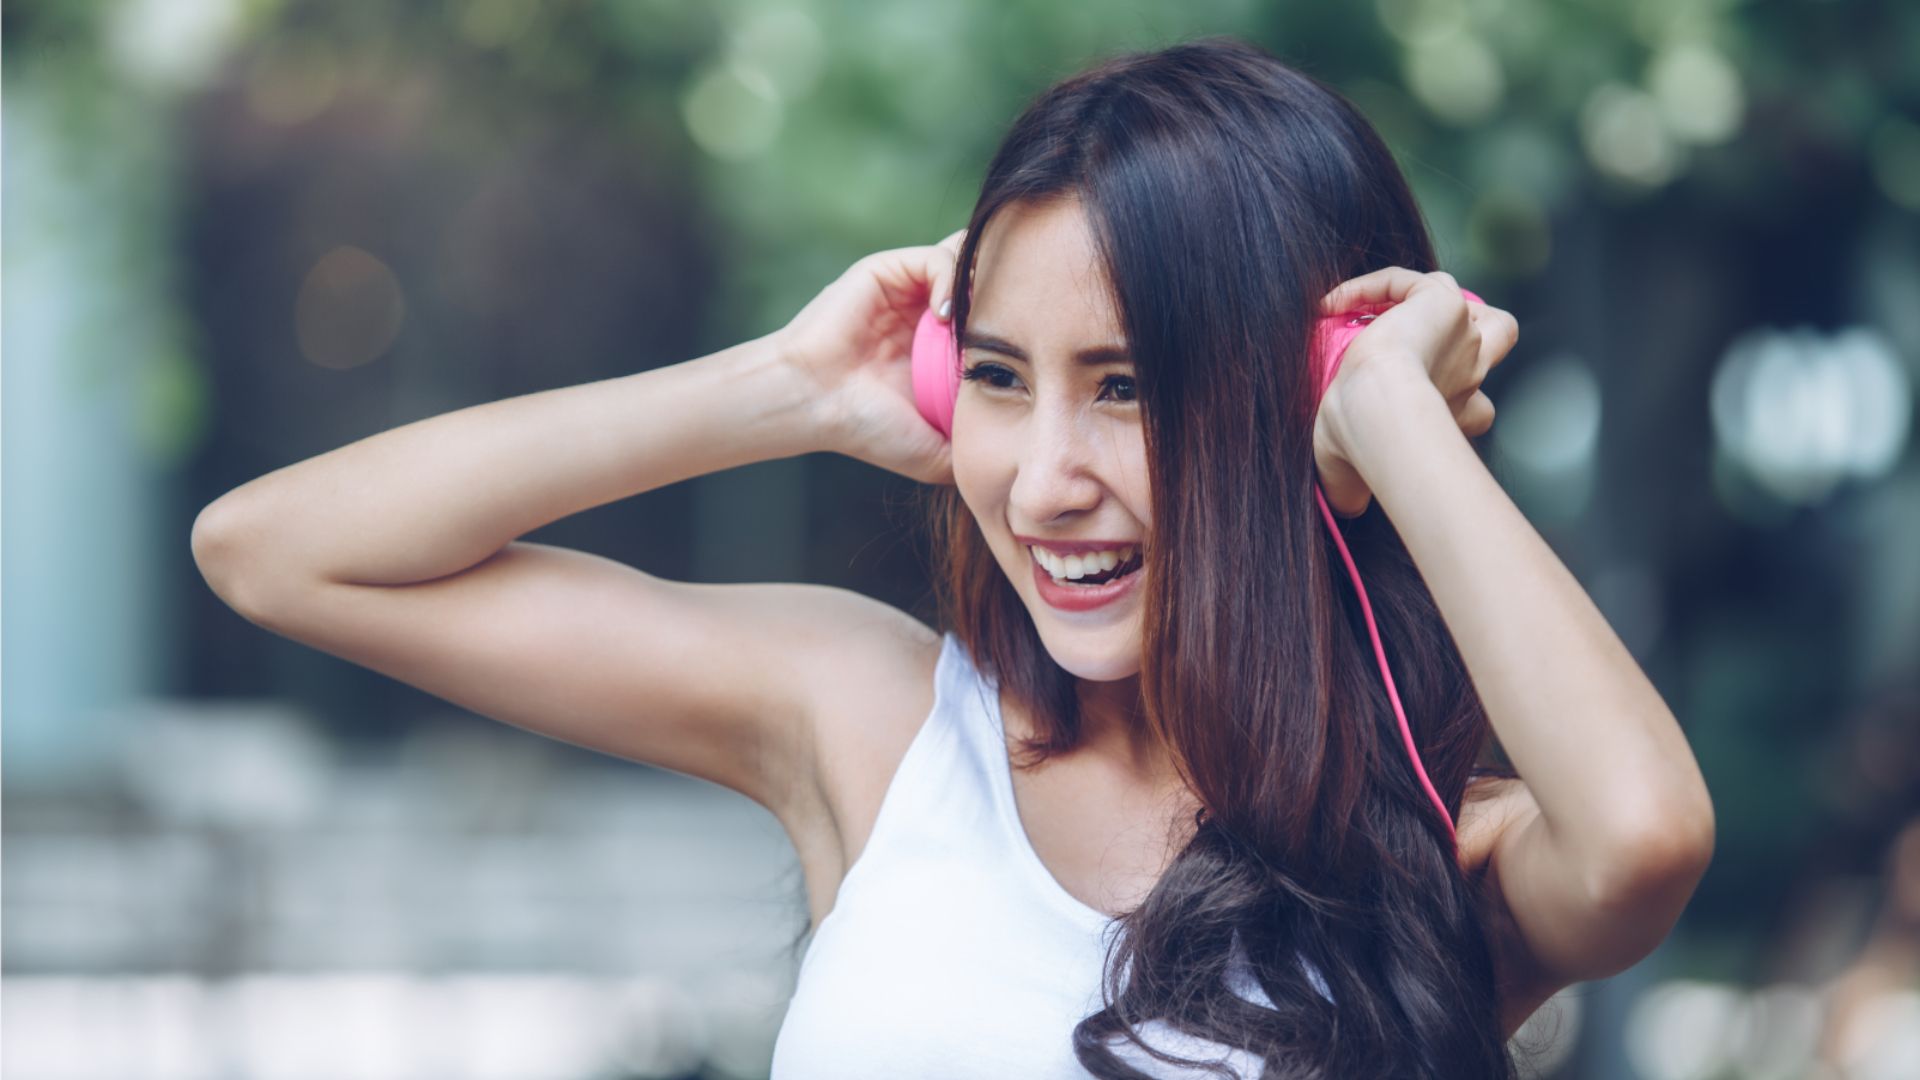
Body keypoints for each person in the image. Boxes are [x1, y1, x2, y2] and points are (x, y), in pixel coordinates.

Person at [191, 35, 1716, 1079]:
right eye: (995, 377)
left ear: (1302, 402)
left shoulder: (1432, 845)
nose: (1044, 482)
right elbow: (278, 553)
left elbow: (1646, 836)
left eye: (1126, 388)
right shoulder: (878, 724)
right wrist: (780, 391)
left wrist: (1394, 421)